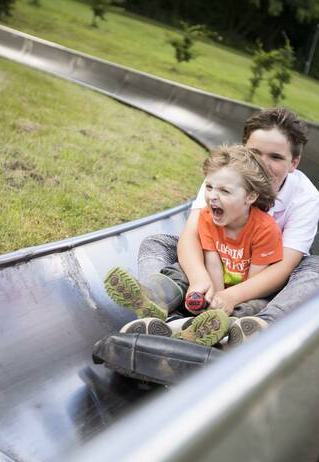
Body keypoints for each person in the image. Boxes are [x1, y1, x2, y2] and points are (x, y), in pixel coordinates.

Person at [113, 107, 319, 347]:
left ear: (294, 163)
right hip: (218, 265)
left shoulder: (306, 198)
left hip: (264, 280)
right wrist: (200, 280)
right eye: (255, 153)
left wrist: (231, 296)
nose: (262, 163)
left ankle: (255, 326)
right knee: (158, 243)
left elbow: (285, 265)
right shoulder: (225, 178)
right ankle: (163, 314)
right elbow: (193, 234)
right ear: (242, 152)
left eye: (276, 157)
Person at [105, 144, 283, 346]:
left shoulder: (265, 228)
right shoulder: (207, 217)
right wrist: (211, 298)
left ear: (250, 196)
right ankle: (154, 297)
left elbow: (255, 280)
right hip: (214, 285)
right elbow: (212, 260)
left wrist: (226, 300)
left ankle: (227, 328)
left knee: (258, 305)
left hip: (244, 293)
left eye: (224, 190)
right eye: (209, 187)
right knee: (179, 273)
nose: (212, 196)